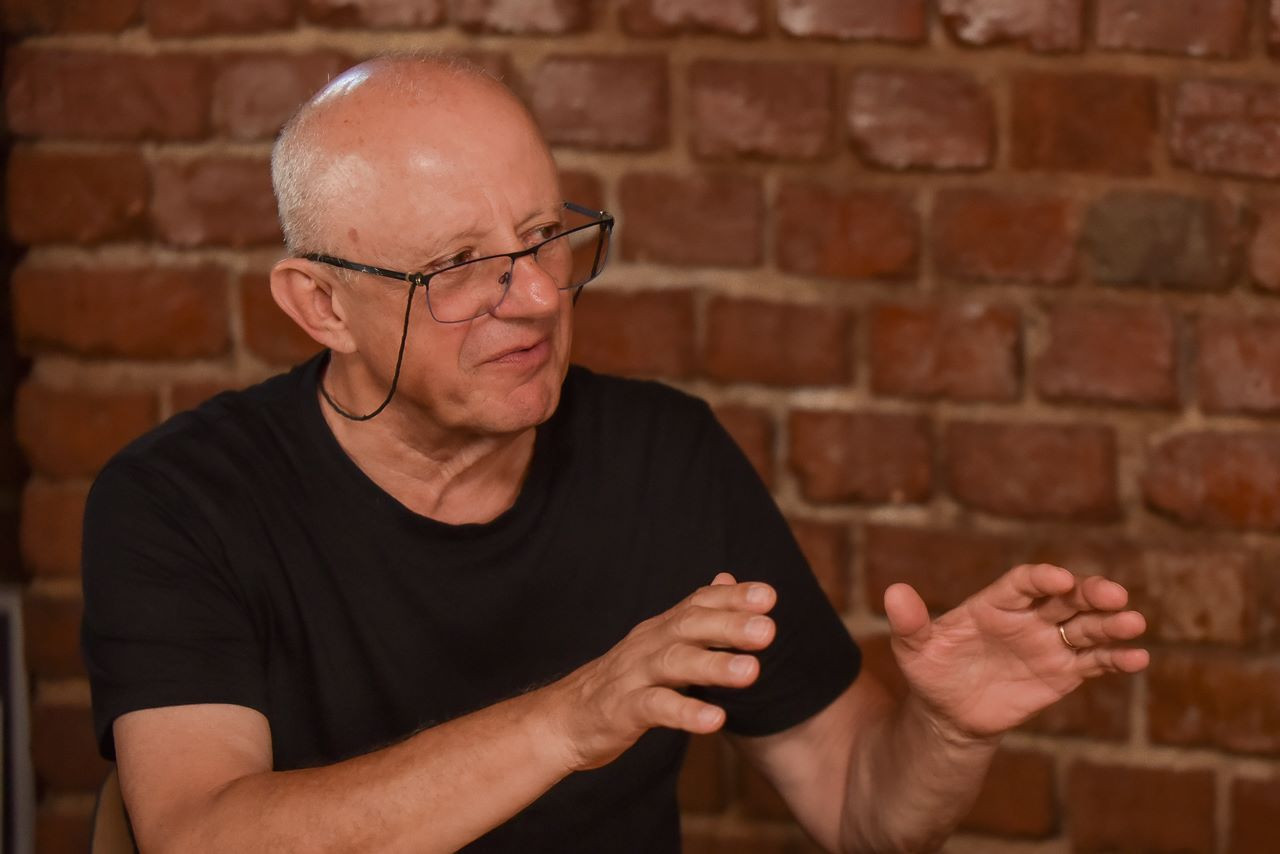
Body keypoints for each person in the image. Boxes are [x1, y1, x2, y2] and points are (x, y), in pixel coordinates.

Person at [81, 54, 1149, 853]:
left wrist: (947, 732)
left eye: (544, 237)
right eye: (459, 266)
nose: (537, 298)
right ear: (321, 304)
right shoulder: (180, 500)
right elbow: (200, 836)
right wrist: (573, 717)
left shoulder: (661, 455)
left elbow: (858, 808)